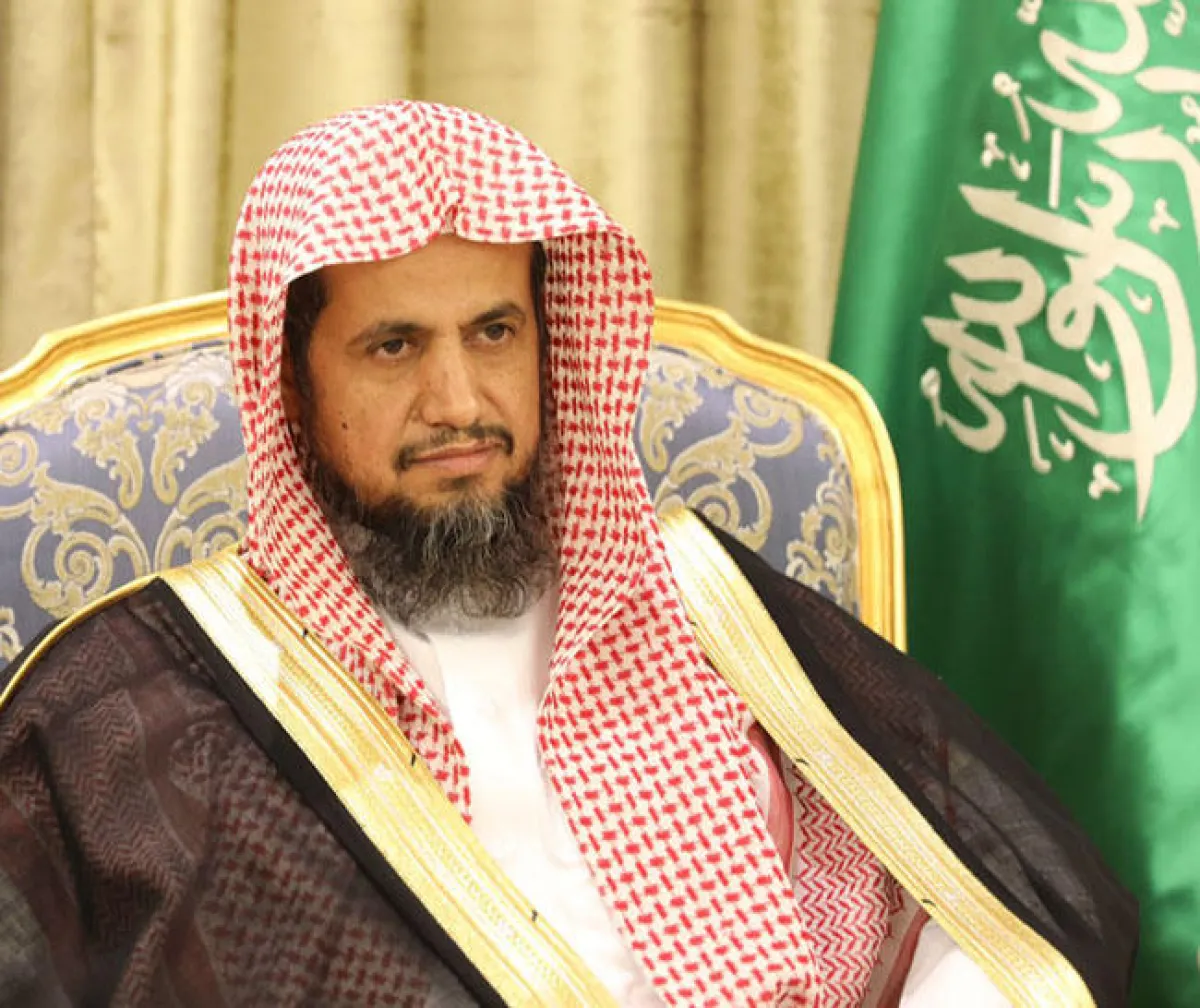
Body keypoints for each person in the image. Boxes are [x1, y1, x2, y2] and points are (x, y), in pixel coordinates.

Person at [0, 102, 1136, 1007]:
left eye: (494, 332)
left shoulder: (703, 609)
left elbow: (970, 903)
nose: (460, 400)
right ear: (293, 385)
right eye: (394, 347)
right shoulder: (143, 708)